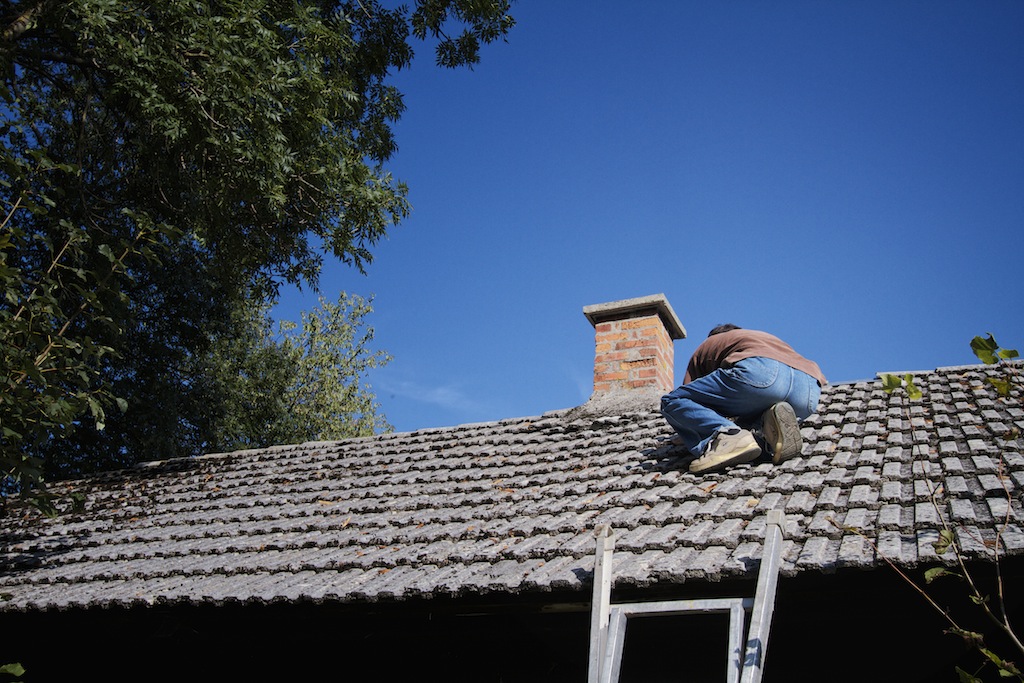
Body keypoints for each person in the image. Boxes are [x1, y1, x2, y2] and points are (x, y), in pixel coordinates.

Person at [661, 324, 826, 474]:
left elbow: (689, 400)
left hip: (761, 374)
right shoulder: (764, 337)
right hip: (808, 392)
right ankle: (768, 438)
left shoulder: (711, 342)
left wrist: (688, 429)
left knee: (671, 401)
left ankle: (728, 436)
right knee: (745, 427)